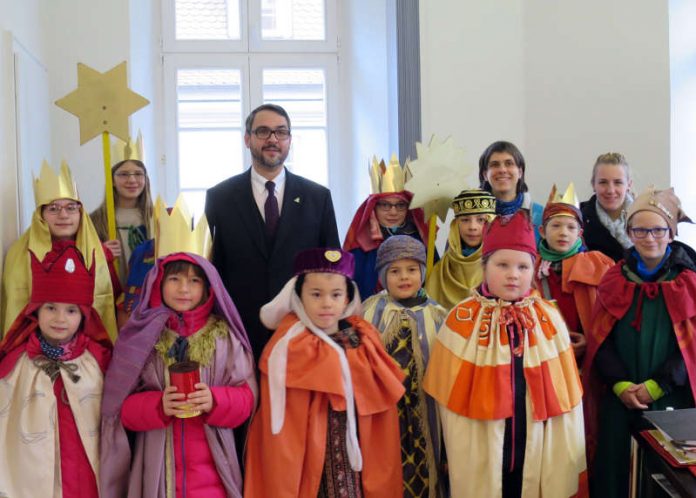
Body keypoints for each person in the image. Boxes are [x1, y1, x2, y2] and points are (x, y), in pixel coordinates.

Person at [423, 211, 587, 498]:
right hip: (482, 442)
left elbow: (566, 401)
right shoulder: (459, 320)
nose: (513, 274)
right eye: (502, 265)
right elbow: (445, 401)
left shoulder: (549, 319)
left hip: (536, 439)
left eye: (523, 267)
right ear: (484, 267)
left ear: (533, 269)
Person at [100, 201, 257, 498]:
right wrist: (159, 405)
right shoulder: (139, 340)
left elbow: (247, 399)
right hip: (158, 473)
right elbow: (121, 409)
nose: (184, 289)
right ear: (158, 282)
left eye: (194, 281)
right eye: (174, 279)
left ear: (208, 288)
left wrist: (215, 400)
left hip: (215, 470)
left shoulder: (224, 338)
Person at [244, 248, 406, 498]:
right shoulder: (290, 345)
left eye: (336, 294)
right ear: (298, 295)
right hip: (311, 454)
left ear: (347, 297)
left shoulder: (363, 337)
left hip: (358, 451)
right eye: (316, 294)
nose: (327, 303)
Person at [583, 187, 696, 498]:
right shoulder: (613, 280)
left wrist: (656, 386)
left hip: (669, 398)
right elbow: (600, 339)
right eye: (640, 230)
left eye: (658, 229)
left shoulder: (688, 284)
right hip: (621, 399)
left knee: (666, 479)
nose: (649, 237)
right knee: (616, 473)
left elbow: (690, 348)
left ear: (671, 233)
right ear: (630, 233)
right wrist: (620, 384)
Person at [205, 103, 340, 361]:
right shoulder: (219, 197)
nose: (273, 139)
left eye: (281, 132)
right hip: (239, 329)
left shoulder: (317, 197)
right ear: (247, 139)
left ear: (290, 140)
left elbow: (332, 268)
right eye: (263, 132)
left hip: (302, 326)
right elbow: (214, 267)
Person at [0, 244, 112, 498]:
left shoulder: (99, 359)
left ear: (84, 316)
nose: (60, 318)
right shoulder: (15, 364)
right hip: (32, 475)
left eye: (71, 310)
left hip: (85, 475)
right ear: (35, 312)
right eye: (51, 307)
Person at [362, 235, 448, 497]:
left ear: (422, 271)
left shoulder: (437, 315)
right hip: (387, 412)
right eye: (394, 271)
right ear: (382, 275)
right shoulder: (369, 312)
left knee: (425, 465)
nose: (404, 277)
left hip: (427, 410)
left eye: (412, 270)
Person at [1, 161, 118, 340]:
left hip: (88, 347)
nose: (63, 215)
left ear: (81, 214)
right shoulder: (20, 254)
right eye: (53, 209)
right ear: (40, 215)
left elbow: (109, 304)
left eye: (71, 208)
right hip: (35, 347)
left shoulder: (96, 254)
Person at [534, 184, 614, 360]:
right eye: (555, 226)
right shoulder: (532, 269)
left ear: (580, 233)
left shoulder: (599, 265)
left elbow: (611, 317)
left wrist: (590, 341)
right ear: (542, 232)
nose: (563, 233)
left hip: (589, 358)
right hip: (545, 355)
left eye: (571, 227)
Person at [343, 155, 430, 299]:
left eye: (400, 205)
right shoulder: (360, 244)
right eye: (385, 205)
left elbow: (432, 280)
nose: (393, 212)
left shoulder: (419, 239)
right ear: (373, 207)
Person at [91, 137, 154, 286]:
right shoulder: (94, 221)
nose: (132, 180)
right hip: (113, 293)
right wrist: (102, 252)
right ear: (112, 180)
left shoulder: (157, 217)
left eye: (138, 174)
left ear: (145, 179)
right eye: (124, 174)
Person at [426, 188, 496, 309]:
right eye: (465, 220)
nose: (472, 227)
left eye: (481, 220)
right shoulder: (441, 270)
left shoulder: (499, 264)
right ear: (455, 225)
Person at [478, 140, 543, 243]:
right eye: (495, 165)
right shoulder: (472, 216)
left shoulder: (539, 215)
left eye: (509, 163)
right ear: (485, 174)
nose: (502, 170)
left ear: (520, 172)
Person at [580, 152, 634, 262]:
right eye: (603, 182)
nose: (610, 190)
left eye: (618, 182)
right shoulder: (577, 218)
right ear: (593, 184)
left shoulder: (648, 218)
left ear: (629, 185)